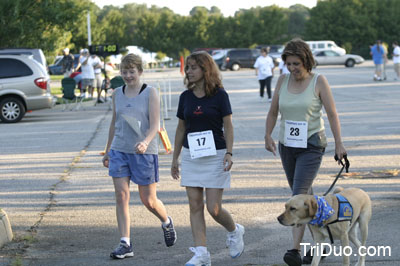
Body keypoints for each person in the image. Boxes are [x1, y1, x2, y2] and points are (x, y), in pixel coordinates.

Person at [264, 39, 346, 266]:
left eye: (296, 64)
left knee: (298, 195)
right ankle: (323, 242)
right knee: (305, 195)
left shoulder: (319, 81)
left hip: (311, 144)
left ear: (306, 61)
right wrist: (267, 135)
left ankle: (295, 251)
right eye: (288, 64)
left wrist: (339, 143)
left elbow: (332, 114)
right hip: (287, 145)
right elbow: (273, 112)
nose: (292, 68)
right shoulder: (282, 80)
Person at [171, 51, 244, 266]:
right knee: (194, 205)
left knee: (214, 208)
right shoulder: (185, 97)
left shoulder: (220, 95)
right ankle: (201, 253)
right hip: (192, 155)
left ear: (205, 70)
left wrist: (229, 153)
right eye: (188, 68)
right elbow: (180, 128)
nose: (189, 71)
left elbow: (228, 126)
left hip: (216, 155)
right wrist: (175, 158)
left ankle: (234, 230)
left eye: (194, 67)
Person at [102, 53, 177, 260]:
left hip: (144, 151)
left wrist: (145, 141)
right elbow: (114, 122)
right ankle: (125, 243)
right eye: (124, 72)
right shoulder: (117, 93)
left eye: (131, 72)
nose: (127, 76)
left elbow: (155, 124)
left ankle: (166, 221)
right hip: (120, 149)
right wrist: (108, 149)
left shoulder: (150, 92)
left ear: (140, 72)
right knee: (121, 196)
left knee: (148, 200)